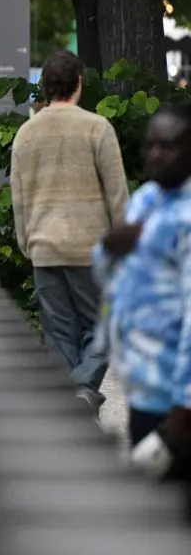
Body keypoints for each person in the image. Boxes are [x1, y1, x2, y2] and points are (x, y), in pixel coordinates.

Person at [10, 49, 128, 411]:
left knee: (58, 333)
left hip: (44, 246)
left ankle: (72, 400)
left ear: (44, 87)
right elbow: (117, 193)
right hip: (90, 247)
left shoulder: (26, 134)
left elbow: (19, 197)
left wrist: (27, 241)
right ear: (79, 83)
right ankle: (82, 389)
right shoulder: (97, 128)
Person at [95, 104, 191, 507]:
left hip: (177, 403)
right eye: (149, 146)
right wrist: (107, 248)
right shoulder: (146, 200)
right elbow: (110, 279)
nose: (155, 155)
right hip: (144, 391)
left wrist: (186, 405)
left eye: (167, 146)